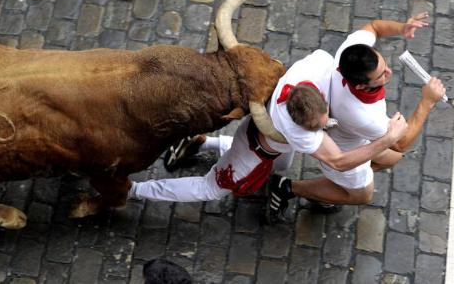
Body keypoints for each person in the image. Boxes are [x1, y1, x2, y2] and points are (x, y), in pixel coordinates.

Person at [129, 49, 408, 203]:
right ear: (303, 126)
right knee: (209, 189)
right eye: (320, 125)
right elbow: (338, 161)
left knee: (283, 166)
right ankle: (135, 191)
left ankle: (204, 142)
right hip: (253, 153)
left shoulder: (320, 62)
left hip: (270, 140)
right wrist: (385, 139)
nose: (328, 124)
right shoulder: (299, 131)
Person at [265, 12, 447, 223]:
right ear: (360, 86)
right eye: (381, 75)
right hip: (344, 149)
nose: (389, 72)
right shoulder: (364, 116)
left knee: (392, 159)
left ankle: (330, 188)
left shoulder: (348, 55)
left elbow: (373, 26)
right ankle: (286, 188)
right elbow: (401, 143)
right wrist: (427, 102)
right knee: (362, 195)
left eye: (383, 64)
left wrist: (401, 28)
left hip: (347, 129)